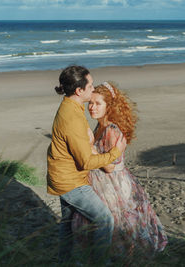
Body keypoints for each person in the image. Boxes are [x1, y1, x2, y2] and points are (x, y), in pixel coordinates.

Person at [72, 82, 168, 260]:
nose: (92, 107)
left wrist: (89, 146)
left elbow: (109, 167)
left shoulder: (111, 130)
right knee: (106, 226)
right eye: (90, 103)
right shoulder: (100, 126)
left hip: (114, 184)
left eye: (97, 103)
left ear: (109, 106)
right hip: (102, 182)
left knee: (119, 227)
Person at [46, 66, 127, 263]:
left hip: (62, 176)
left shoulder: (71, 106)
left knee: (67, 224)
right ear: (79, 90)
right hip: (71, 182)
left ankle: (64, 261)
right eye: (90, 86)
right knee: (104, 219)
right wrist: (115, 152)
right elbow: (86, 161)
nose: (93, 89)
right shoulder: (72, 117)